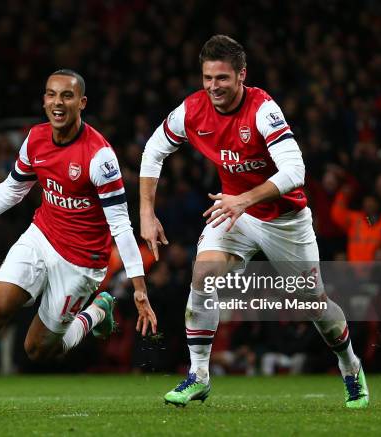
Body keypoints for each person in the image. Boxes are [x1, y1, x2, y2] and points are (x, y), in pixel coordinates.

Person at [140, 35, 368, 408]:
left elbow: (296, 171)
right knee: (203, 274)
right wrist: (147, 214)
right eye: (207, 78)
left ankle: (350, 365)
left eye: (222, 79)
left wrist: (244, 199)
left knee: (313, 303)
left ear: (242, 75)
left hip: (283, 220)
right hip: (234, 213)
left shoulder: (263, 110)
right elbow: (153, 150)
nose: (213, 86)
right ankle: (198, 376)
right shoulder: (192, 110)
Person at [0, 69, 157, 416]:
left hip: (82, 262)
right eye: (51, 95)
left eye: (67, 96)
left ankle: (96, 312)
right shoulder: (35, 139)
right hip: (41, 237)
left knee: (38, 350)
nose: (58, 103)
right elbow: (13, 188)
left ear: (82, 103)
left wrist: (139, 288)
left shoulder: (100, 157)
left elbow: (120, 224)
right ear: (44, 100)